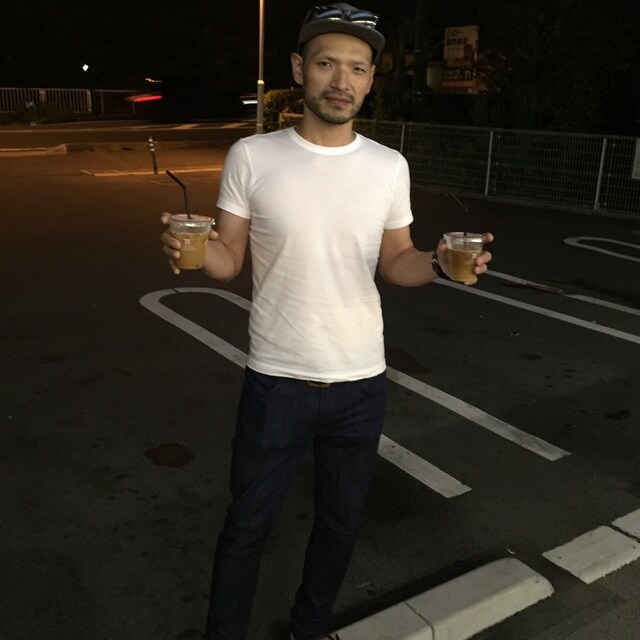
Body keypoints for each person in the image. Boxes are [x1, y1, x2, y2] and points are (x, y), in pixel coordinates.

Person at [161, 3, 493, 639]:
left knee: (341, 524)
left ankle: (309, 628)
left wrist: (442, 264)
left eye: (357, 68)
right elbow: (227, 257)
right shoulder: (252, 156)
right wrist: (189, 250)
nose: (342, 81)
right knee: (246, 526)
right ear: (299, 69)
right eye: (326, 64)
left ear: (371, 80)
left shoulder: (388, 166)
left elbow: (396, 260)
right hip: (277, 380)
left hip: (361, 382)